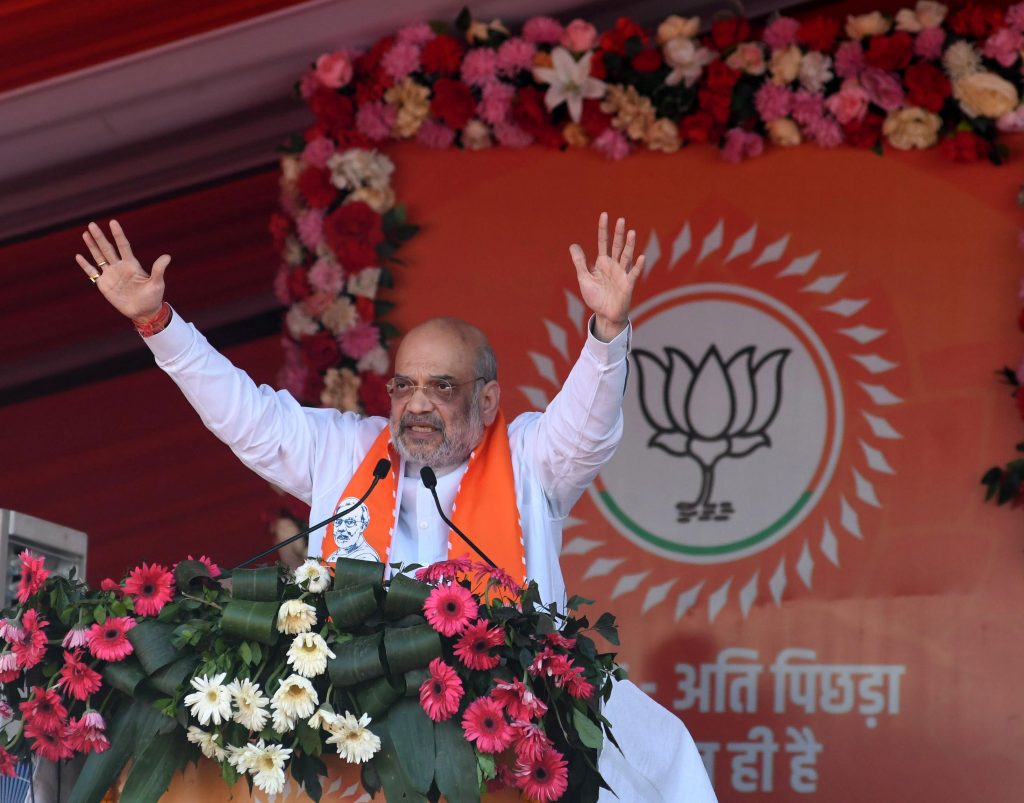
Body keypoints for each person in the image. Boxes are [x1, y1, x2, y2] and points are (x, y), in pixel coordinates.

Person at [75, 213, 718, 803]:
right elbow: (246, 415)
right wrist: (160, 325)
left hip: (509, 729)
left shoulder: (532, 458)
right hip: (348, 733)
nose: (417, 403)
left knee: (650, 750)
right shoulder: (347, 449)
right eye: (404, 384)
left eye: (442, 387)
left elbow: (590, 427)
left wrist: (606, 337)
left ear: (489, 401)